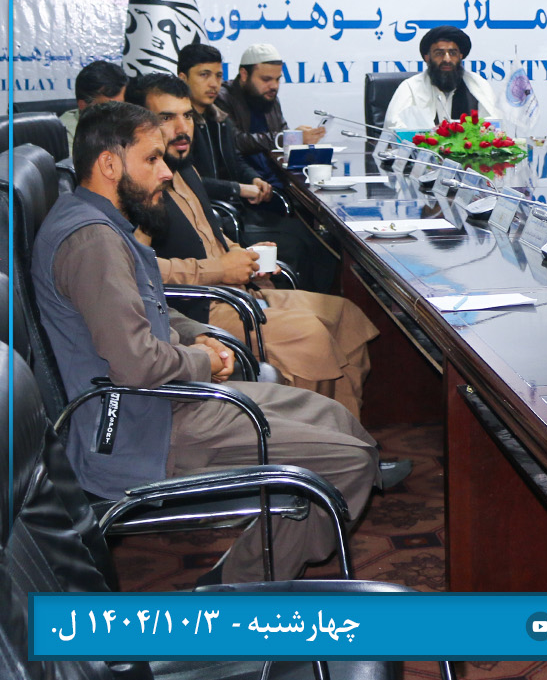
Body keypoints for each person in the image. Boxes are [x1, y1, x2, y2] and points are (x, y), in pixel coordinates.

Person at [30, 100, 378, 584]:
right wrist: (202, 361)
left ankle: (275, 544)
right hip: (148, 430)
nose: (165, 172)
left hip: (165, 403)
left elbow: (150, 305)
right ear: (109, 164)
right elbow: (137, 365)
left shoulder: (101, 223)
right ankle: (235, 588)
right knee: (351, 462)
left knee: (336, 418)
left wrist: (203, 335)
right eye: (152, 159)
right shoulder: (92, 242)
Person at [129, 74, 377, 421]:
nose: (182, 129)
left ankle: (351, 434)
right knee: (310, 336)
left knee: (346, 316)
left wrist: (245, 256)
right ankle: (316, 442)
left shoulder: (184, 168)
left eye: (187, 116)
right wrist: (220, 269)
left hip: (236, 290)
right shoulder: (136, 185)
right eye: (166, 118)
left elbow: (213, 235)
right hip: (198, 310)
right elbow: (135, 268)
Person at [178, 43, 337, 293]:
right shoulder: (180, 128)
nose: (213, 84)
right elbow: (190, 182)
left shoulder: (218, 118)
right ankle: (287, 302)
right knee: (303, 244)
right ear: (183, 78)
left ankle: (305, 303)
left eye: (218, 75)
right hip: (217, 218)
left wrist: (253, 179)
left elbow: (236, 159)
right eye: (204, 75)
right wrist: (240, 189)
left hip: (239, 207)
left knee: (320, 239)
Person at [218, 43, 326, 182]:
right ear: (244, 75)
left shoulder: (269, 97)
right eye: (266, 79)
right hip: (246, 184)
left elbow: (282, 136)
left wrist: (302, 140)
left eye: (277, 79)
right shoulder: (222, 98)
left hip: (279, 179)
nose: (274, 86)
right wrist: (289, 138)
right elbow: (236, 141)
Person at [383, 26, 505, 130]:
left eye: (453, 53)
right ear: (427, 57)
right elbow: (393, 126)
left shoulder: (478, 85)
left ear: (460, 56)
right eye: (439, 53)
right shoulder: (411, 87)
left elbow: (494, 123)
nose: (447, 59)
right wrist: (430, 134)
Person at [59, 60, 127, 149]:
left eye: (121, 106)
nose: (117, 114)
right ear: (83, 106)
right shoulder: (63, 135)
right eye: (108, 108)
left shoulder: (131, 122)